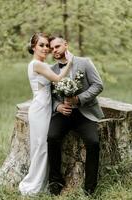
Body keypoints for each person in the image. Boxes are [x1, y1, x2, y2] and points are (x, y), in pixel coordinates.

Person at [47, 36, 104, 196]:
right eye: (52, 49)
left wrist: (79, 99)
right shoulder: (51, 70)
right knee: (51, 137)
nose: (54, 50)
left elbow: (98, 85)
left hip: (84, 112)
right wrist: (58, 106)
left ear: (66, 44)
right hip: (63, 114)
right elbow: (48, 97)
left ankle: (90, 189)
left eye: (57, 46)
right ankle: (55, 182)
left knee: (93, 142)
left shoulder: (84, 62)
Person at [19, 33, 72, 196]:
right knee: (41, 146)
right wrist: (70, 61)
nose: (45, 48)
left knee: (41, 145)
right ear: (33, 47)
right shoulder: (37, 64)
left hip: (45, 107)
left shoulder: (41, 64)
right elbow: (57, 79)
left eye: (46, 45)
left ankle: (42, 180)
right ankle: (34, 184)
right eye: (41, 45)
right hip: (40, 108)